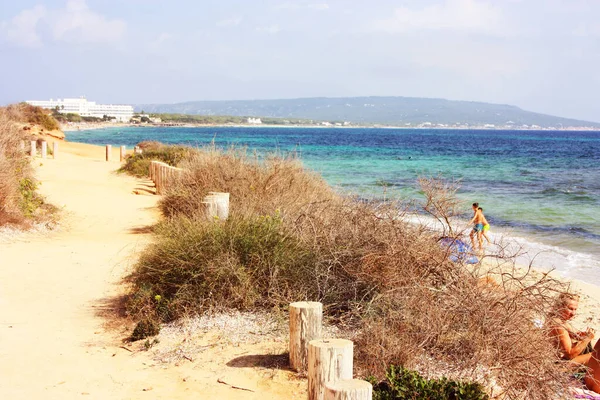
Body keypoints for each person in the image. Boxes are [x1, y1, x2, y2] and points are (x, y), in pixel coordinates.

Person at [548, 293, 600, 393]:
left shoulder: (560, 321)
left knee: (592, 349)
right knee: (594, 355)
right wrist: (587, 338)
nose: (573, 313)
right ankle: (593, 382)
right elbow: (570, 354)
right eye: (570, 309)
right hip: (558, 365)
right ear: (559, 307)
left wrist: (583, 335)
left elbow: (573, 334)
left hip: (560, 361)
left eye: (575, 309)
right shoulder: (558, 325)